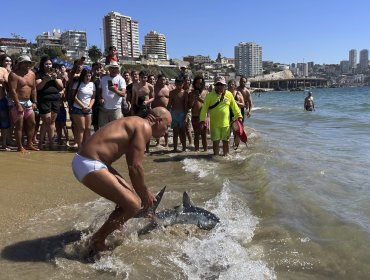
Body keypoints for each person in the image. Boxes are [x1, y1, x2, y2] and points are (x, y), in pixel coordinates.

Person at [71, 106, 172, 254]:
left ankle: (115, 229)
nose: (167, 130)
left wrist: (141, 193)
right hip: (89, 163)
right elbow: (135, 167)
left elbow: (132, 165)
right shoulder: (144, 126)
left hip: (90, 162)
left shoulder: (136, 123)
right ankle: (97, 240)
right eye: (167, 125)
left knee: (129, 195)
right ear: (158, 121)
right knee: (133, 204)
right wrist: (145, 195)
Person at [199, 76, 242, 156]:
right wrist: (202, 120)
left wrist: (239, 117)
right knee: (216, 142)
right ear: (215, 85)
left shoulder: (229, 94)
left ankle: (226, 156)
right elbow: (204, 109)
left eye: (221, 84)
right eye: (218, 85)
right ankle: (216, 157)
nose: (219, 86)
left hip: (226, 125)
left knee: (226, 142)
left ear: (224, 85)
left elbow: (234, 107)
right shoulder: (210, 96)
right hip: (214, 125)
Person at [8, 55, 38, 152]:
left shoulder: (32, 74)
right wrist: (18, 105)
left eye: (29, 63)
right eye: (25, 62)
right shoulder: (14, 74)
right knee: (19, 125)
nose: (28, 64)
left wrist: (35, 101)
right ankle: (20, 146)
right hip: (16, 101)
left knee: (32, 123)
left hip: (28, 102)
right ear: (20, 64)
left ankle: (29, 143)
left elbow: (33, 88)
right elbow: (12, 91)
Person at [35, 56, 64, 150]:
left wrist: (55, 78)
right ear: (42, 65)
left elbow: (61, 87)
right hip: (44, 100)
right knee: (46, 121)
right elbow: (38, 87)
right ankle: (41, 142)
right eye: (46, 64)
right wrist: (46, 79)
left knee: (51, 121)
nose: (48, 65)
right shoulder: (39, 74)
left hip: (55, 100)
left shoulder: (55, 74)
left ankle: (50, 142)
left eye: (50, 64)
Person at [71, 69, 95, 149]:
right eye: (86, 76)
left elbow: (93, 97)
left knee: (88, 128)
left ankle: (87, 146)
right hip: (78, 108)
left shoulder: (92, 84)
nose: (88, 77)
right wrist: (83, 106)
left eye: (89, 76)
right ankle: (80, 147)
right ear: (83, 76)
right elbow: (74, 97)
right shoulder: (77, 84)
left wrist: (90, 106)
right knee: (81, 128)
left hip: (88, 108)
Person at [98, 62, 126, 128]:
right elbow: (99, 91)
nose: (114, 70)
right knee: (103, 129)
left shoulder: (121, 79)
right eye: (112, 68)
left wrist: (115, 90)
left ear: (118, 69)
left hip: (116, 109)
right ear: (109, 69)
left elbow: (123, 94)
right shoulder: (104, 78)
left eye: (115, 68)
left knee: (116, 130)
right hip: (104, 109)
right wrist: (100, 98)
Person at [188, 75, 208, 152]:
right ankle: (196, 151)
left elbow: (208, 105)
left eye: (200, 83)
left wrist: (199, 98)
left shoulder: (206, 92)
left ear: (203, 84)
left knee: (204, 136)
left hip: (203, 117)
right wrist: (194, 98)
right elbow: (189, 106)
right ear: (194, 84)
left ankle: (205, 151)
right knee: (196, 135)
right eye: (197, 83)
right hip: (195, 116)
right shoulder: (191, 93)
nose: (199, 85)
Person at [167, 77, 188, 152]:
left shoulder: (185, 93)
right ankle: (175, 148)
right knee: (175, 132)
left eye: (181, 83)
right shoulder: (172, 93)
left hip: (182, 114)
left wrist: (186, 116)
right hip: (174, 114)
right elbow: (169, 104)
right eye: (177, 83)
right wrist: (166, 114)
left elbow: (186, 106)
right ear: (175, 84)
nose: (179, 85)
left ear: (183, 84)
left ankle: (184, 148)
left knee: (183, 132)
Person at [152, 74, 170, 146]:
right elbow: (152, 98)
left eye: (164, 79)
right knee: (157, 127)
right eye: (161, 79)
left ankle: (166, 143)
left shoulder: (169, 88)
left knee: (166, 128)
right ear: (158, 80)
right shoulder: (154, 88)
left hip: (167, 111)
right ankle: (158, 143)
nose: (162, 81)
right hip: (157, 111)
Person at [228, 79, 245, 149]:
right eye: (229, 84)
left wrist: (235, 102)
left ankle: (236, 147)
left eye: (232, 84)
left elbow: (243, 105)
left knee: (236, 133)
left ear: (235, 86)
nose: (230, 85)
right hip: (228, 115)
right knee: (227, 132)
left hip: (236, 116)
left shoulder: (238, 93)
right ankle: (228, 147)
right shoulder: (225, 93)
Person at [0, 54, 12, 150]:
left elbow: (9, 85)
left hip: (2, 99)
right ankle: (4, 143)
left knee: (5, 122)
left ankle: (4, 143)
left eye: (9, 61)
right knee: (4, 122)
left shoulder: (6, 71)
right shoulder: (3, 70)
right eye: (6, 61)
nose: (8, 63)